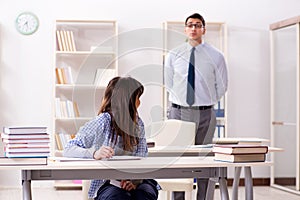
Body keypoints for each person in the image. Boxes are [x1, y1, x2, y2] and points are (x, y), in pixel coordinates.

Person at [164, 13, 228, 200]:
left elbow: (222, 85)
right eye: (190, 25)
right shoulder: (173, 54)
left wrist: (205, 100)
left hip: (205, 113)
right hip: (178, 112)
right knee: (178, 160)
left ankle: (203, 198)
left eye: (198, 25)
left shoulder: (216, 56)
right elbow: (168, 82)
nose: (194, 28)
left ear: (204, 30)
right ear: (185, 29)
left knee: (205, 160)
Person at [63, 76, 159, 200]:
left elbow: (142, 158)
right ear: (128, 100)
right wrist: (94, 153)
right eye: (137, 98)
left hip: (136, 179)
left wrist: (134, 182)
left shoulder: (138, 124)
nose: (139, 103)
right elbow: (68, 148)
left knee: (144, 193)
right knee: (118, 196)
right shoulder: (102, 121)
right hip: (108, 182)